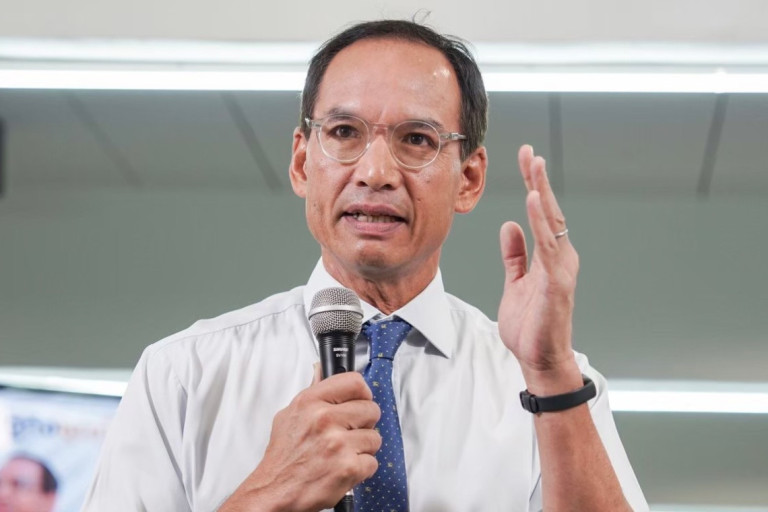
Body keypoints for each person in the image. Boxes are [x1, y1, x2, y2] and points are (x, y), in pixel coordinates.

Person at [83, 20, 648, 511]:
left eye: (417, 139)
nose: (375, 172)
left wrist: (549, 374)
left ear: (469, 179)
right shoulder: (183, 375)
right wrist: (268, 493)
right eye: (344, 133)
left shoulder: (553, 384)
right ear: (302, 163)